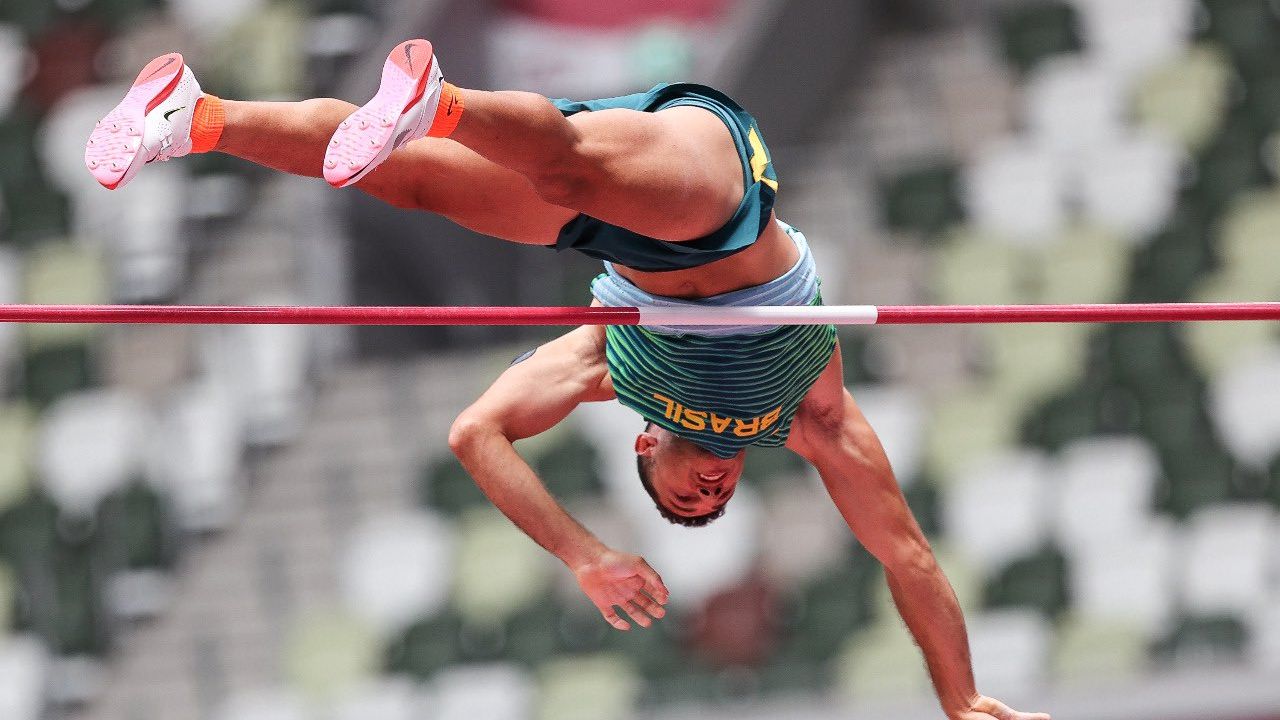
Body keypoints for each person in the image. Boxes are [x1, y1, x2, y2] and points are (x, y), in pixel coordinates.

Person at [88, 41, 1050, 720]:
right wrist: (958, 697)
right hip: (721, 203)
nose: (707, 493)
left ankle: (193, 120)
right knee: (563, 171)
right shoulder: (809, 418)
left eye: (683, 500)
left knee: (406, 179)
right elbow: (909, 554)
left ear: (645, 442)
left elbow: (476, 433)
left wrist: (584, 554)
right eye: (713, 499)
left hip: (612, 223)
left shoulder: (608, 364)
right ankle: (420, 104)